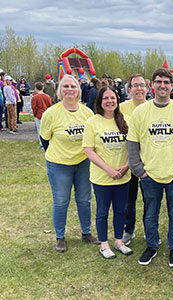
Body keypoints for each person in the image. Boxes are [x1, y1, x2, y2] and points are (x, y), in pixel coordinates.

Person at [127, 68, 173, 267]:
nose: (162, 85)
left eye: (166, 82)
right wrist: (139, 170)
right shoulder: (141, 112)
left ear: (172, 85)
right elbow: (132, 144)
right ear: (152, 85)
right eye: (158, 82)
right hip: (150, 174)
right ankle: (151, 246)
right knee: (150, 213)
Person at [40, 74, 99, 252]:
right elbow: (45, 140)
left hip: (83, 163)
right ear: (59, 91)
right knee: (61, 201)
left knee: (84, 199)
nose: (69, 90)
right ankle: (60, 236)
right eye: (65, 87)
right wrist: (60, 153)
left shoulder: (87, 112)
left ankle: (86, 232)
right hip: (59, 164)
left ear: (79, 90)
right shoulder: (51, 113)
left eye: (73, 87)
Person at [83, 86, 133, 259]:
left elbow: (135, 147)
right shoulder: (92, 122)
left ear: (118, 101)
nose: (110, 101)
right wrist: (109, 169)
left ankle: (119, 241)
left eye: (113, 98)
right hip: (102, 178)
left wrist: (126, 166)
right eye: (106, 98)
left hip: (123, 176)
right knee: (103, 211)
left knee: (120, 210)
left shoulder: (127, 120)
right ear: (100, 101)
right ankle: (104, 244)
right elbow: (89, 150)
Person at [119, 74, 147, 246]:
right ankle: (128, 230)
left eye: (142, 85)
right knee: (129, 200)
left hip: (148, 161)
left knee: (149, 199)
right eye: (135, 85)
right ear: (129, 89)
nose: (139, 89)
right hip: (127, 161)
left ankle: (149, 230)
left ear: (147, 88)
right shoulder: (121, 108)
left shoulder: (153, 107)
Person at [31, 82, 52, 148]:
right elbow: (49, 106)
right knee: (47, 129)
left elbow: (34, 108)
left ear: (36, 88)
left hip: (38, 115)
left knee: (39, 129)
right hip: (47, 114)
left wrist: (35, 115)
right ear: (43, 88)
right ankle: (48, 141)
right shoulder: (47, 96)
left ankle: (42, 143)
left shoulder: (35, 97)